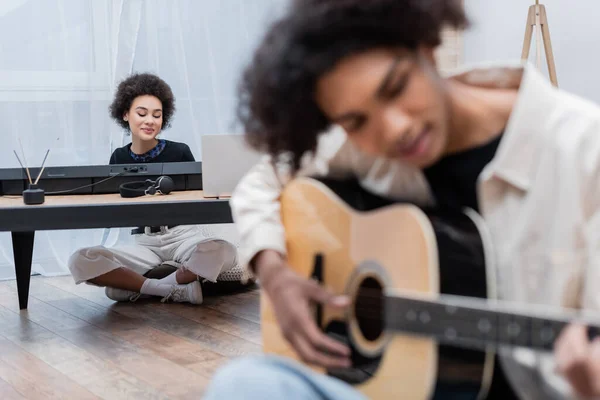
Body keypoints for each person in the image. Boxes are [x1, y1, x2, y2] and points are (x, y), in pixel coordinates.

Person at [202, 0, 600, 399]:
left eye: (396, 87)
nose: (394, 130)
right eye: (355, 122)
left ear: (426, 46)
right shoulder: (360, 147)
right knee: (241, 385)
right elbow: (263, 180)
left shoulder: (585, 154)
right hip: (396, 386)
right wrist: (275, 272)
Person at [68, 72, 241, 305]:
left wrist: (220, 191)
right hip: (145, 242)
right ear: (125, 114)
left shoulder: (180, 151)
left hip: (182, 236)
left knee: (223, 250)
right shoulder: (118, 157)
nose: (150, 120)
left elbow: (198, 193)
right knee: (80, 259)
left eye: (157, 115)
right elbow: (116, 207)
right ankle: (172, 288)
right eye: (142, 113)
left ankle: (147, 287)